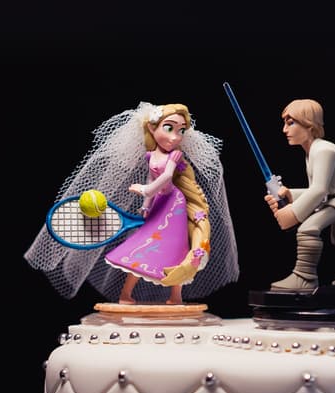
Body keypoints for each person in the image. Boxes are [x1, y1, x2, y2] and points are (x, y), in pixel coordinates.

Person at [24, 102, 239, 305]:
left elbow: (166, 178)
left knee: (177, 248)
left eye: (181, 130)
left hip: (175, 205)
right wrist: (146, 203)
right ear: (152, 128)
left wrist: (147, 191)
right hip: (158, 204)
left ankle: (176, 295)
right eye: (169, 128)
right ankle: (126, 293)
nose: (175, 137)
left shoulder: (175, 155)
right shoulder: (149, 156)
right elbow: (151, 179)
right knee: (142, 245)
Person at [264, 98, 335, 292]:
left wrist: (293, 214)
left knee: (307, 228)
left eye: (291, 123)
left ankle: (305, 278)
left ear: (309, 124)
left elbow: (319, 190)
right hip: (332, 199)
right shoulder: (312, 151)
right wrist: (292, 195)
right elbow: (317, 189)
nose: (284, 130)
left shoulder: (324, 150)